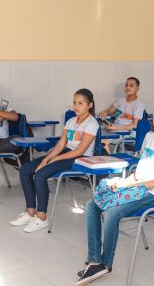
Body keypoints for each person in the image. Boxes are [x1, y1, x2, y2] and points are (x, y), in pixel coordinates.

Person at [76, 95, 154, 286]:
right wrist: (124, 182)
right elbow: (140, 170)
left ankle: (106, 264)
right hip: (138, 187)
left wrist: (136, 185)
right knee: (92, 205)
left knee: (112, 212)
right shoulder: (149, 136)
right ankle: (94, 261)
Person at [11, 89, 99, 233]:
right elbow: (60, 145)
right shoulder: (71, 121)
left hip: (81, 158)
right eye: (75, 103)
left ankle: (42, 218)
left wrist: (55, 159)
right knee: (25, 170)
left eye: (80, 103)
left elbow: (80, 151)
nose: (76, 106)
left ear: (90, 105)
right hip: (66, 153)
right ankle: (30, 212)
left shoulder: (91, 123)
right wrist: (47, 158)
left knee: (40, 175)